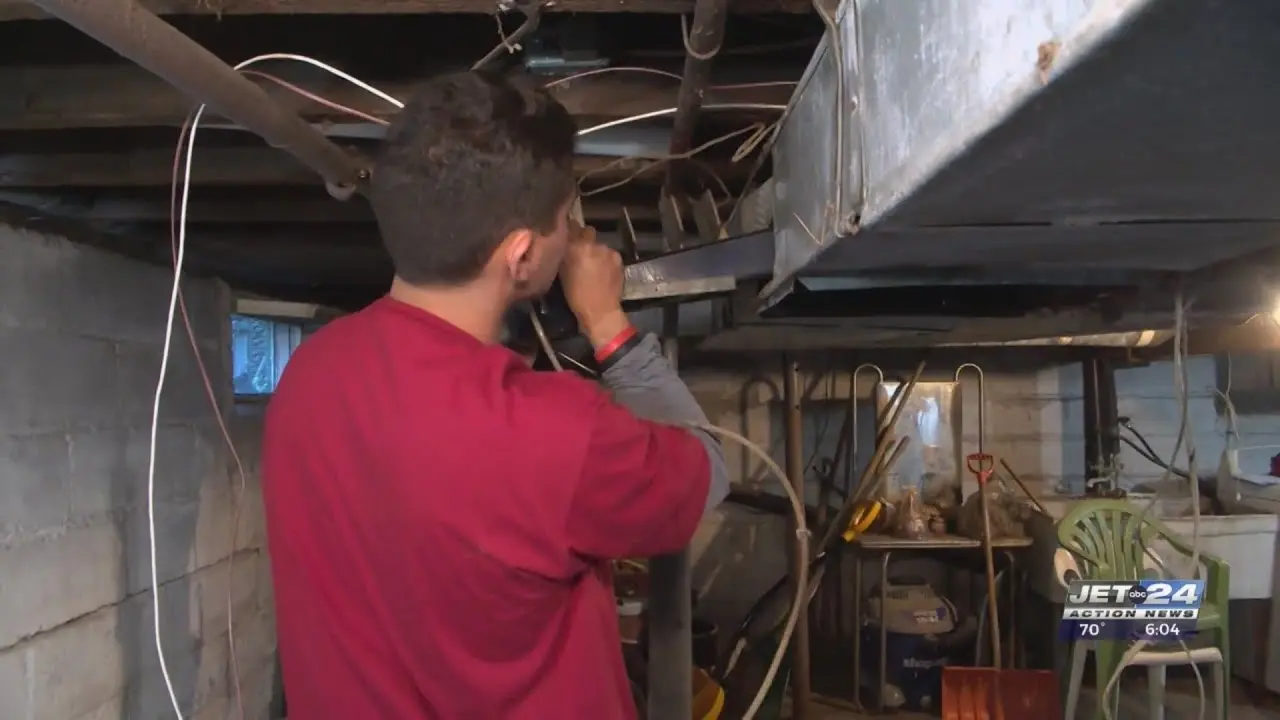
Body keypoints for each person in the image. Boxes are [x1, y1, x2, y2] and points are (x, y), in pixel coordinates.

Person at [261, 70, 730, 720]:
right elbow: (709, 469)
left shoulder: (306, 378)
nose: (569, 233)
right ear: (520, 254)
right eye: (564, 219)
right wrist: (607, 325)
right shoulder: (557, 434)